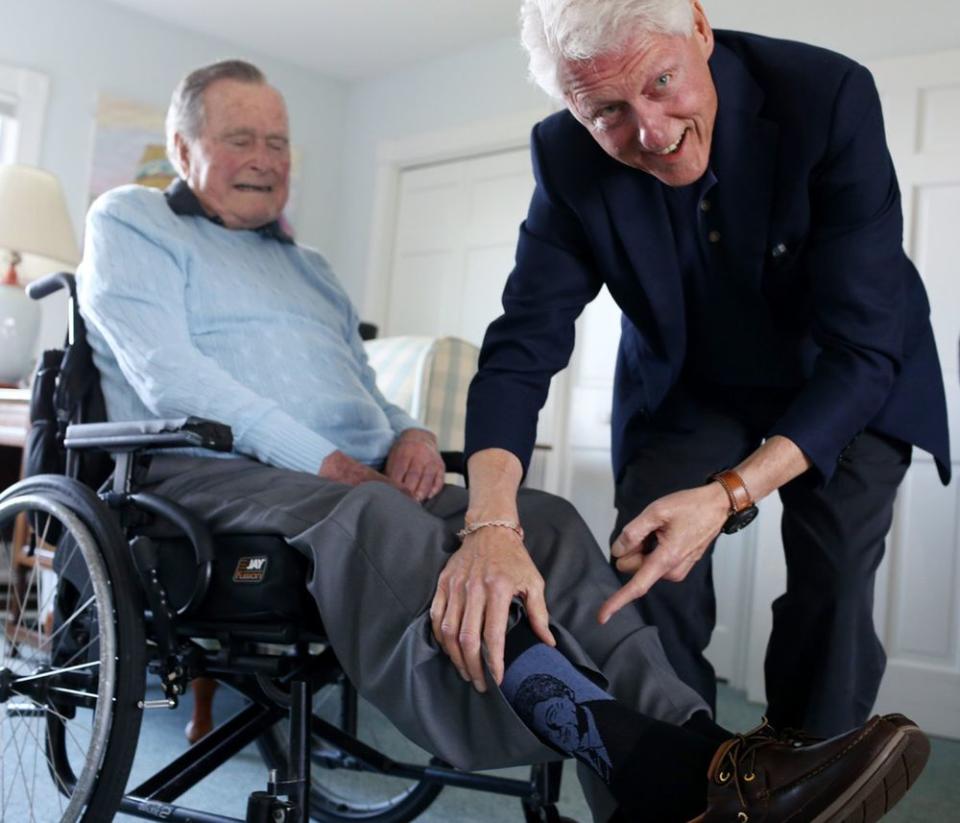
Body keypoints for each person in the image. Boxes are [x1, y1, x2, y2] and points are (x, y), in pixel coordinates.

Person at [77, 58, 930, 823]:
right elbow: (174, 378)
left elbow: (357, 386)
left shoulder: (307, 267)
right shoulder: (132, 222)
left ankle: (712, 767)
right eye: (239, 139)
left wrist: (405, 433)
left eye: (278, 139)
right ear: (182, 148)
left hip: (352, 471)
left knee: (546, 519)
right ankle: (663, 764)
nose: (265, 157)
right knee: (376, 520)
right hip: (211, 467)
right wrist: (337, 465)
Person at [463, 0, 952, 743]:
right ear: (571, 104)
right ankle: (679, 773)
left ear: (697, 26)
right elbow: (523, 344)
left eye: (662, 82)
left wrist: (728, 495)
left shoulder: (826, 96)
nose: (651, 134)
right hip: (690, 383)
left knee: (836, 575)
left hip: (843, 369)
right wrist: (491, 522)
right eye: (607, 113)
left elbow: (864, 350)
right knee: (644, 567)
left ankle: (807, 769)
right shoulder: (563, 157)